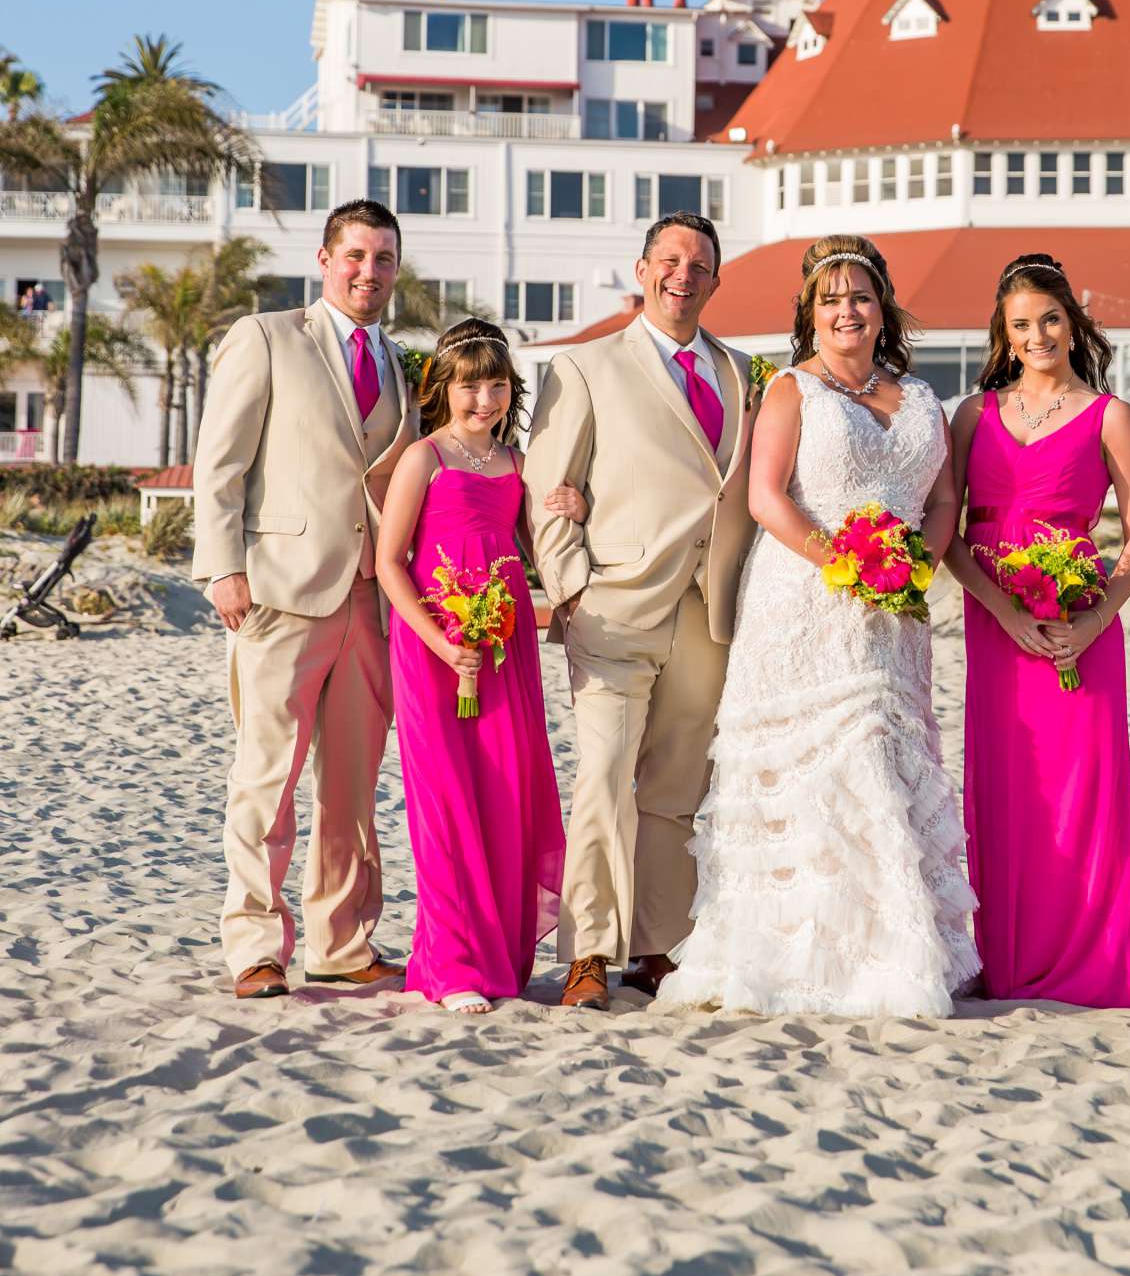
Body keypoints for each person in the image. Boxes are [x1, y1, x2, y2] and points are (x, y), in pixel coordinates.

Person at [658, 234, 978, 1020]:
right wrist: (843, 564)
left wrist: (914, 567)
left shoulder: (924, 401)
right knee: (822, 771)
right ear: (809, 311)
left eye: (860, 297)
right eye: (831, 298)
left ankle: (888, 953)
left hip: (894, 615)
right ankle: (797, 960)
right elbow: (767, 496)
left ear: (883, 310)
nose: (847, 310)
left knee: (882, 761)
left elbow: (942, 502)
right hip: (802, 600)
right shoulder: (792, 390)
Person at [527, 213, 757, 1013]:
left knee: (677, 785)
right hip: (614, 604)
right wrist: (571, 587)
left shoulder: (740, 373)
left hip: (708, 610)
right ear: (641, 269)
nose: (682, 276)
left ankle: (655, 943)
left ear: (716, 280)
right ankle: (590, 947)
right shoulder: (584, 366)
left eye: (699, 265)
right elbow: (547, 486)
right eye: (668, 261)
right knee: (602, 777)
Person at [192, 200, 416, 1000]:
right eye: (356, 255)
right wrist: (222, 566)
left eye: (385, 258)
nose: (370, 271)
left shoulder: (397, 363)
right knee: (267, 776)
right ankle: (255, 944)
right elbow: (220, 464)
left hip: (369, 601)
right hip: (279, 590)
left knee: (354, 786)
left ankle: (341, 938)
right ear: (324, 258)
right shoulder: (266, 338)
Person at [947, 253, 1130, 1009]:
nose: (1037, 334)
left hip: (1079, 630)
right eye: (1020, 325)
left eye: (1049, 319)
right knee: (1012, 795)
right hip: (994, 626)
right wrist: (1004, 611)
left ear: (1072, 324)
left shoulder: (1113, 417)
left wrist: (1096, 617)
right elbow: (950, 539)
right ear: (1002, 338)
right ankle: (1009, 962)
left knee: (1082, 792)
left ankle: (1095, 960)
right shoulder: (973, 415)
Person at [376, 321, 575, 1013]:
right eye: (469, 384)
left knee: (506, 792)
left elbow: (537, 545)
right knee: (447, 800)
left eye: (496, 385)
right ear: (443, 388)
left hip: (504, 645)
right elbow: (388, 562)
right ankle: (454, 963)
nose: (483, 399)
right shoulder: (422, 459)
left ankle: (501, 955)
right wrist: (439, 641)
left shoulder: (518, 465)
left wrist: (573, 505)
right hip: (435, 645)